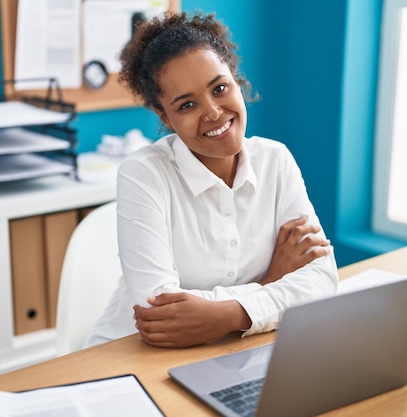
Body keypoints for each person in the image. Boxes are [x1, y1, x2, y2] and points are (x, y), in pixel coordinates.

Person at [86, 11, 338, 349]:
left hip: (236, 349)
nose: (213, 113)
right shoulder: (144, 174)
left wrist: (228, 315)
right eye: (187, 104)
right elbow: (161, 310)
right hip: (134, 353)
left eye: (219, 88)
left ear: (235, 80)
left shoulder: (275, 160)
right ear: (165, 117)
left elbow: (322, 276)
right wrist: (270, 282)